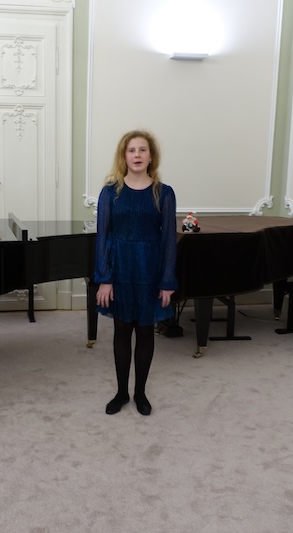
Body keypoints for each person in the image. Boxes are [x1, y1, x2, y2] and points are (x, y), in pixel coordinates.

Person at [94, 130, 178, 416]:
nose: (137, 155)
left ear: (151, 156)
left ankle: (140, 393)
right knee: (121, 331)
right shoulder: (110, 192)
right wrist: (104, 279)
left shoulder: (164, 193)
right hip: (120, 270)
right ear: (124, 156)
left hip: (149, 271)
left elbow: (169, 241)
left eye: (143, 150)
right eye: (132, 150)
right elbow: (103, 238)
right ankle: (121, 392)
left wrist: (167, 281)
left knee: (145, 331)